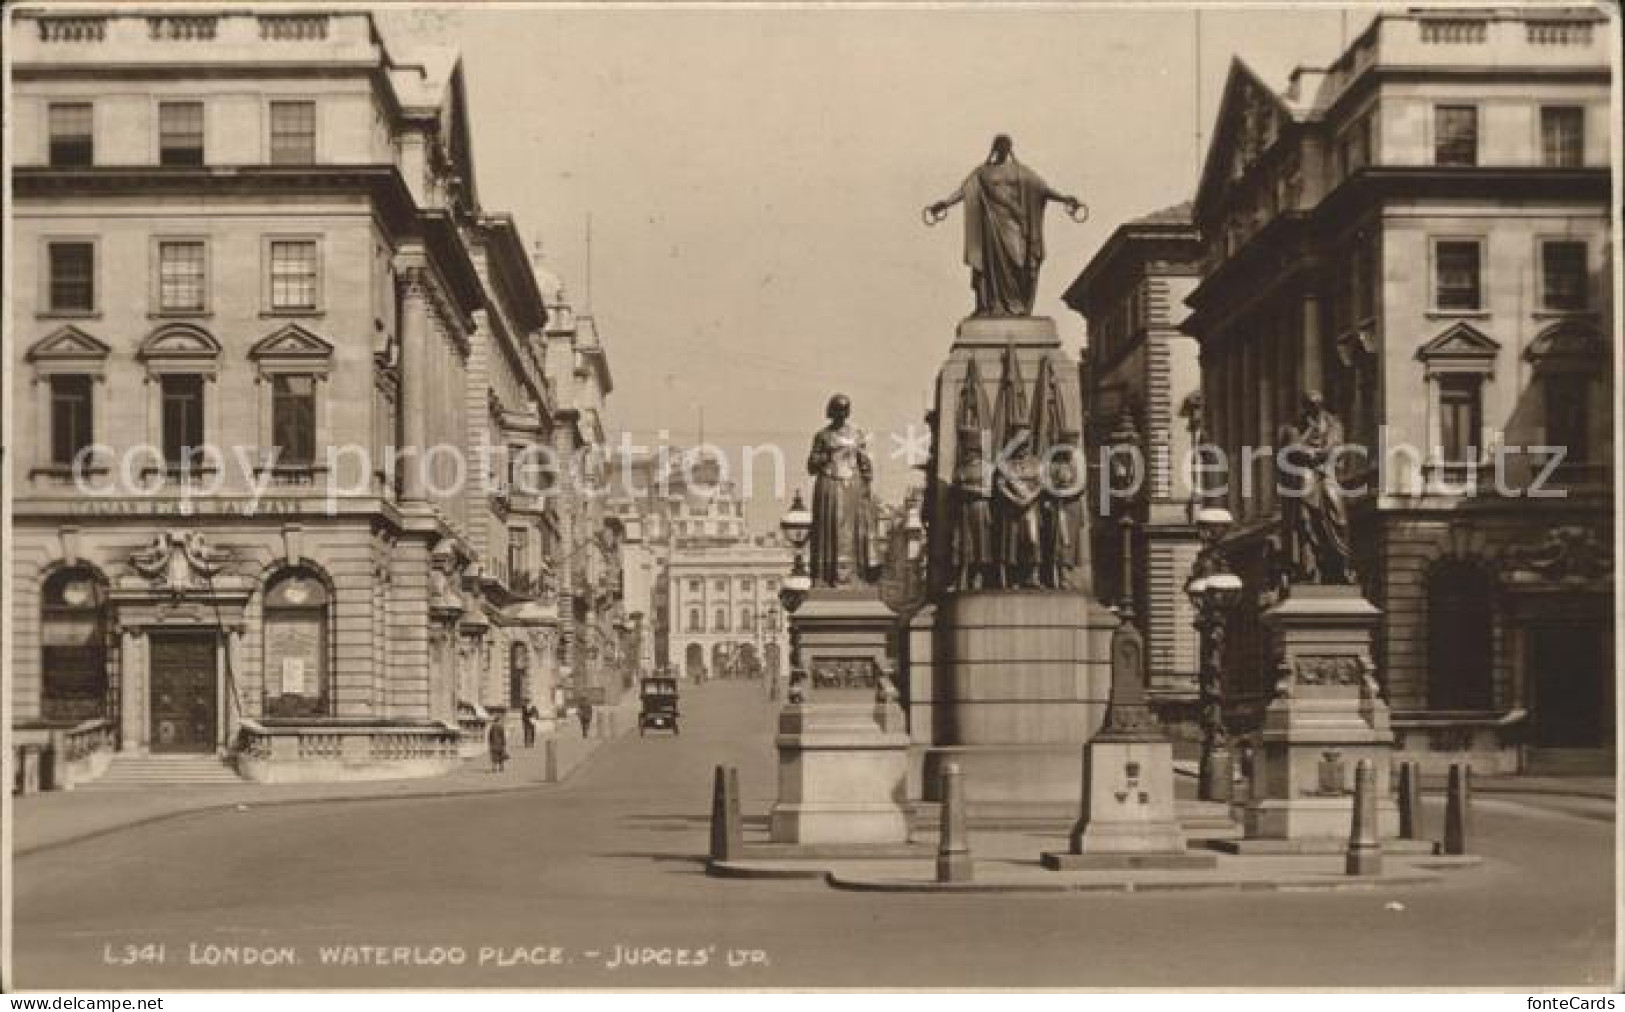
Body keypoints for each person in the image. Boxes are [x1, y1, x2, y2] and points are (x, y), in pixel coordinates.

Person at [927, 135, 1083, 317]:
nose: (1003, 149)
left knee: (1019, 262)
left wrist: (1064, 198)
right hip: (992, 226)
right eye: (999, 146)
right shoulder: (982, 173)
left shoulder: (1021, 172)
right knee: (992, 267)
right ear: (995, 149)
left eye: (1006, 146)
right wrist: (945, 204)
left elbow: (1042, 189)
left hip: (1017, 226)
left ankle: (1017, 306)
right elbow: (964, 191)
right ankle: (994, 305)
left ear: (1010, 149)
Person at [1280, 391, 1354, 585]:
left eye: (1316, 407)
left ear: (1321, 406)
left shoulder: (1333, 424)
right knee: (1304, 521)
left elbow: (1335, 447)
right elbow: (1290, 449)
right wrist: (1307, 443)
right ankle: (1308, 570)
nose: (1312, 411)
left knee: (1339, 518)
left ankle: (1342, 566)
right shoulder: (1295, 426)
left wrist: (1317, 453)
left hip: (1327, 474)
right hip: (1306, 475)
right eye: (1308, 407)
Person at [806, 393, 879, 587]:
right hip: (829, 484)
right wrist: (827, 456)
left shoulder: (857, 434)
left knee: (853, 530)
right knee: (830, 529)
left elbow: (865, 463)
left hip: (852, 485)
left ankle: (854, 575)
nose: (841, 413)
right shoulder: (822, 436)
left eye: (845, 409)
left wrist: (866, 488)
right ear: (831, 411)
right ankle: (826, 576)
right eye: (838, 409)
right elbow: (811, 466)